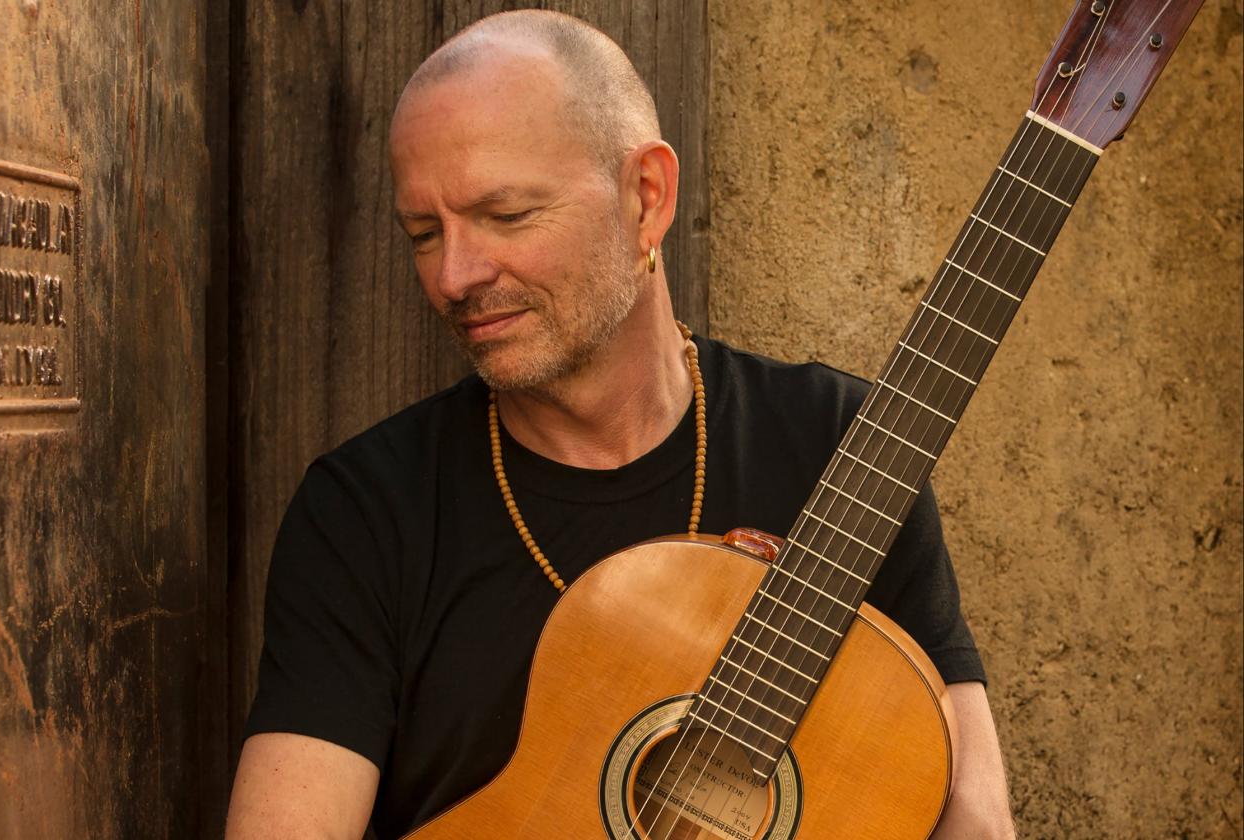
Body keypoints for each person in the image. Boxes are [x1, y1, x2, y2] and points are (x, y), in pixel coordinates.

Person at [226, 10, 1015, 839]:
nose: (455, 275)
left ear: (647, 198)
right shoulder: (364, 513)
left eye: (506, 215)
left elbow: (977, 820)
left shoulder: (849, 451)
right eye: (424, 234)